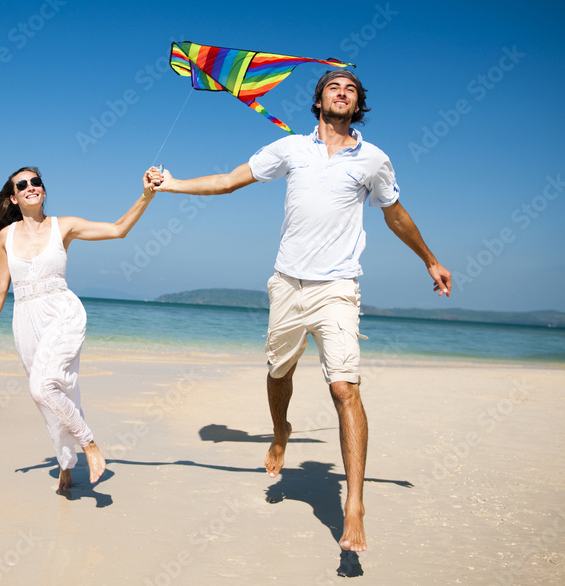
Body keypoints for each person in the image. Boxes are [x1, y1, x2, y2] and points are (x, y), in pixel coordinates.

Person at [150, 69, 451, 552]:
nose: (342, 91)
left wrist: (431, 260)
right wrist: (173, 183)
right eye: (334, 85)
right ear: (319, 100)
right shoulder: (291, 148)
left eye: (350, 89)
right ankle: (280, 431)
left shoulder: (374, 159)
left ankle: (353, 504)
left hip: (337, 287)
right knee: (278, 371)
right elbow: (230, 180)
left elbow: (394, 212)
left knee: (344, 387)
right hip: (287, 283)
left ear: (358, 105)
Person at [0, 166, 158, 494]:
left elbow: (118, 229)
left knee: (42, 386)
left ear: (43, 192)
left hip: (63, 313)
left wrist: (146, 195)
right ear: (13, 197)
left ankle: (89, 446)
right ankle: (65, 462)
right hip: (26, 320)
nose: (31, 186)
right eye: (23, 184)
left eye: (36, 182)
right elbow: (1, 286)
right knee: (54, 396)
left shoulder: (64, 226)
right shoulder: (7, 236)